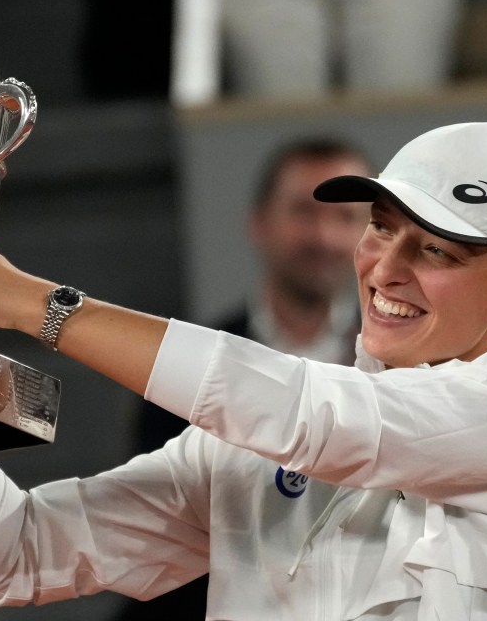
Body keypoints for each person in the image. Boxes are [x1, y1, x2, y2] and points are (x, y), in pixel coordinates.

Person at [0, 121, 487, 620]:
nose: (383, 267)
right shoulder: (249, 443)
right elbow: (7, 552)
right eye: (381, 227)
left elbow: (324, 421)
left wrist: (27, 302)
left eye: (436, 250)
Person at [118, 137, 370, 619]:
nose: (324, 237)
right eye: (303, 211)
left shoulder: (402, 369)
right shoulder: (184, 364)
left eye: (346, 218)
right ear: (259, 223)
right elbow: (154, 529)